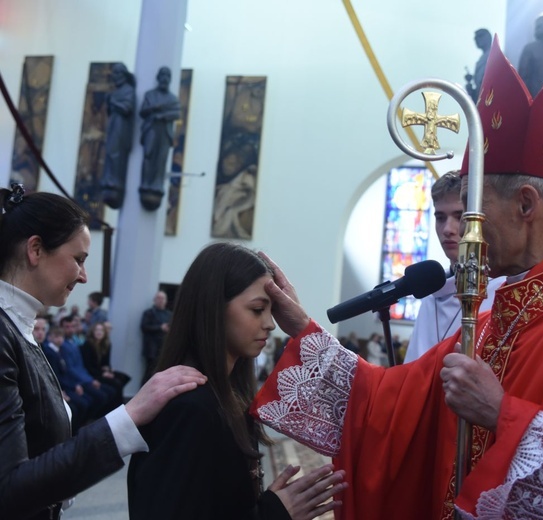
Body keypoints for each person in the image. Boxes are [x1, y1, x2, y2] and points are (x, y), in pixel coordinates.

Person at [250, 37, 543, 519]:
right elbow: (384, 405)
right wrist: (301, 326)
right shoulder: (492, 319)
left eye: (474, 209)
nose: (464, 230)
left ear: (526, 205)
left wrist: (502, 415)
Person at [0, 183, 207, 520]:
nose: (83, 276)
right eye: (78, 259)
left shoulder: (18, 326)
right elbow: (8, 489)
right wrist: (129, 416)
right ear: (35, 250)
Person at [127, 242, 346, 519]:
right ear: (213, 308)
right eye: (257, 309)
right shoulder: (190, 406)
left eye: (271, 310)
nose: (270, 323)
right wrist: (273, 513)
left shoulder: (228, 394)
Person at [403, 171, 504, 363]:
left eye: (459, 217)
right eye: (440, 218)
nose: (448, 229)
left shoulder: (500, 290)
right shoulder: (430, 296)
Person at [139, 66, 181, 211]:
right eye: (162, 75)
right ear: (158, 77)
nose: (164, 78)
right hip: (151, 129)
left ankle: (157, 185)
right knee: (149, 155)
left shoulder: (172, 98)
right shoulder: (150, 95)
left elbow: (176, 113)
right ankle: (146, 184)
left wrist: (162, 115)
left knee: (161, 159)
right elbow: (143, 111)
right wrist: (155, 109)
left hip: (164, 132)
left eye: (167, 76)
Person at [101, 62, 136, 209]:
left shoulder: (128, 90)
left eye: (117, 73)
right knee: (109, 152)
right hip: (114, 124)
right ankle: (109, 179)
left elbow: (127, 108)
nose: (114, 77)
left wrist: (114, 102)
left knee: (116, 153)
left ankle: (114, 181)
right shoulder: (115, 92)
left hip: (121, 127)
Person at [140, 290, 172, 384]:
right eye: (158, 298)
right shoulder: (148, 313)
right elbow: (144, 327)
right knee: (149, 373)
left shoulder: (169, 314)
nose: (161, 300)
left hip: (164, 349)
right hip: (151, 349)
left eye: (163, 298)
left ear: (166, 300)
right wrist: (160, 328)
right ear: (154, 300)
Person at [464, 28, 492, 103]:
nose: (476, 40)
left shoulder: (494, 55)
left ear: (487, 37)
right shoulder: (480, 60)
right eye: (475, 38)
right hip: (482, 100)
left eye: (479, 37)